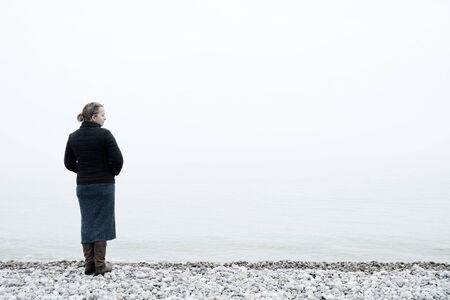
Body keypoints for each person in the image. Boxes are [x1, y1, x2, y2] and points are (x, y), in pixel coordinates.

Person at [64, 102, 123, 276]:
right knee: (102, 223)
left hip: (83, 185)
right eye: (103, 114)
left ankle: (89, 265)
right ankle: (100, 266)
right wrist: (108, 172)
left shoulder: (73, 136)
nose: (105, 117)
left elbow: (68, 163)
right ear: (93, 117)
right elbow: (118, 161)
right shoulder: (105, 135)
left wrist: (83, 170)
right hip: (104, 185)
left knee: (88, 222)